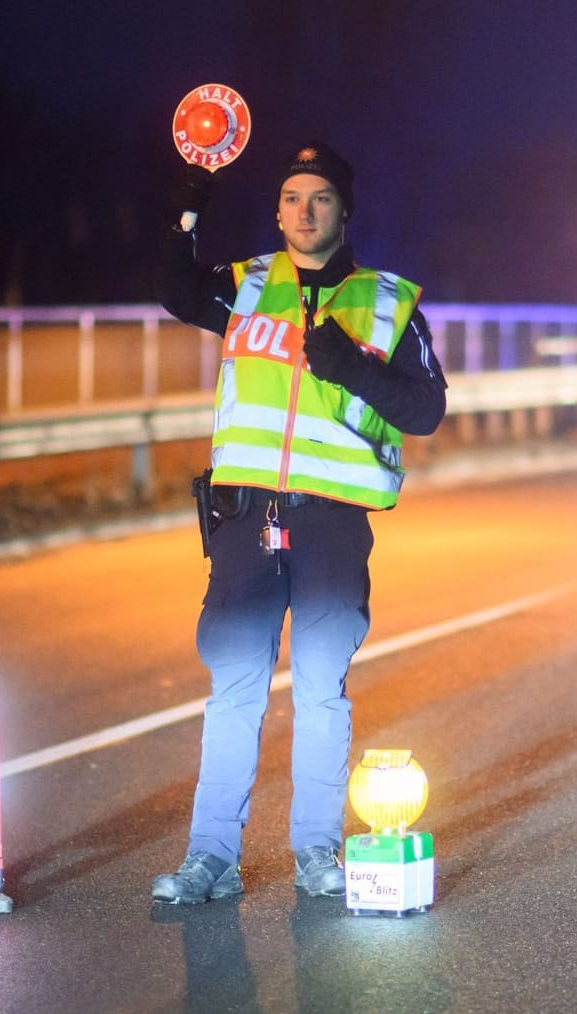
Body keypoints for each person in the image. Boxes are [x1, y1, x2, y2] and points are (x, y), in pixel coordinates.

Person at [151, 141, 446, 904]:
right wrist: (193, 192)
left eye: (319, 198)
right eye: (290, 197)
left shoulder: (386, 302)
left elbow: (427, 409)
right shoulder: (245, 286)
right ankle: (210, 858)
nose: (303, 210)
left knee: (320, 691)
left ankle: (317, 851)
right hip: (247, 519)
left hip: (331, 526)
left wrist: (351, 365)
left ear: (344, 212)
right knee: (235, 690)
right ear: (277, 210)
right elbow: (171, 286)